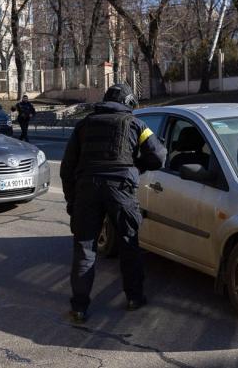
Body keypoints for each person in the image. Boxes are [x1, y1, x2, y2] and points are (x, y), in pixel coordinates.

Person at [60, 83, 167, 323]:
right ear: (129, 103)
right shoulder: (136, 124)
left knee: (85, 249)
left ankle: (79, 307)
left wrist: (72, 201)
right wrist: (136, 167)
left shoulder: (83, 126)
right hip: (120, 191)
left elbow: (67, 168)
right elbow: (159, 156)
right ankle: (134, 298)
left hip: (86, 191)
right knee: (128, 243)